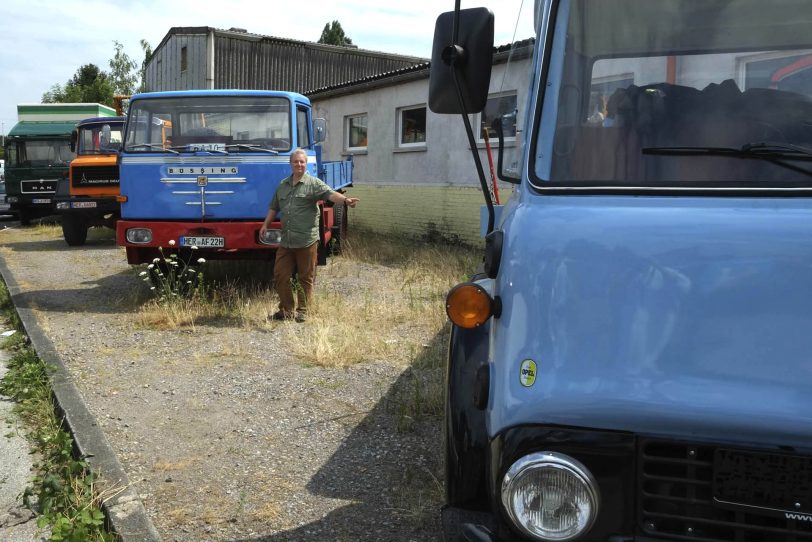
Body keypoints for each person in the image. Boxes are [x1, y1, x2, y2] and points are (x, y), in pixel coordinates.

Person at [260, 148, 359, 322]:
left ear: (306, 164)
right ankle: (286, 310)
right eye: (296, 161)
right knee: (280, 275)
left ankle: (303, 310)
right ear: (290, 163)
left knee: (305, 277)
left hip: (306, 240)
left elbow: (330, 194)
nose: (299, 164)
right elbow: (274, 207)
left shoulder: (313, 184)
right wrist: (266, 224)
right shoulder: (283, 185)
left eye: (302, 162)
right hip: (287, 240)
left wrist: (345, 200)